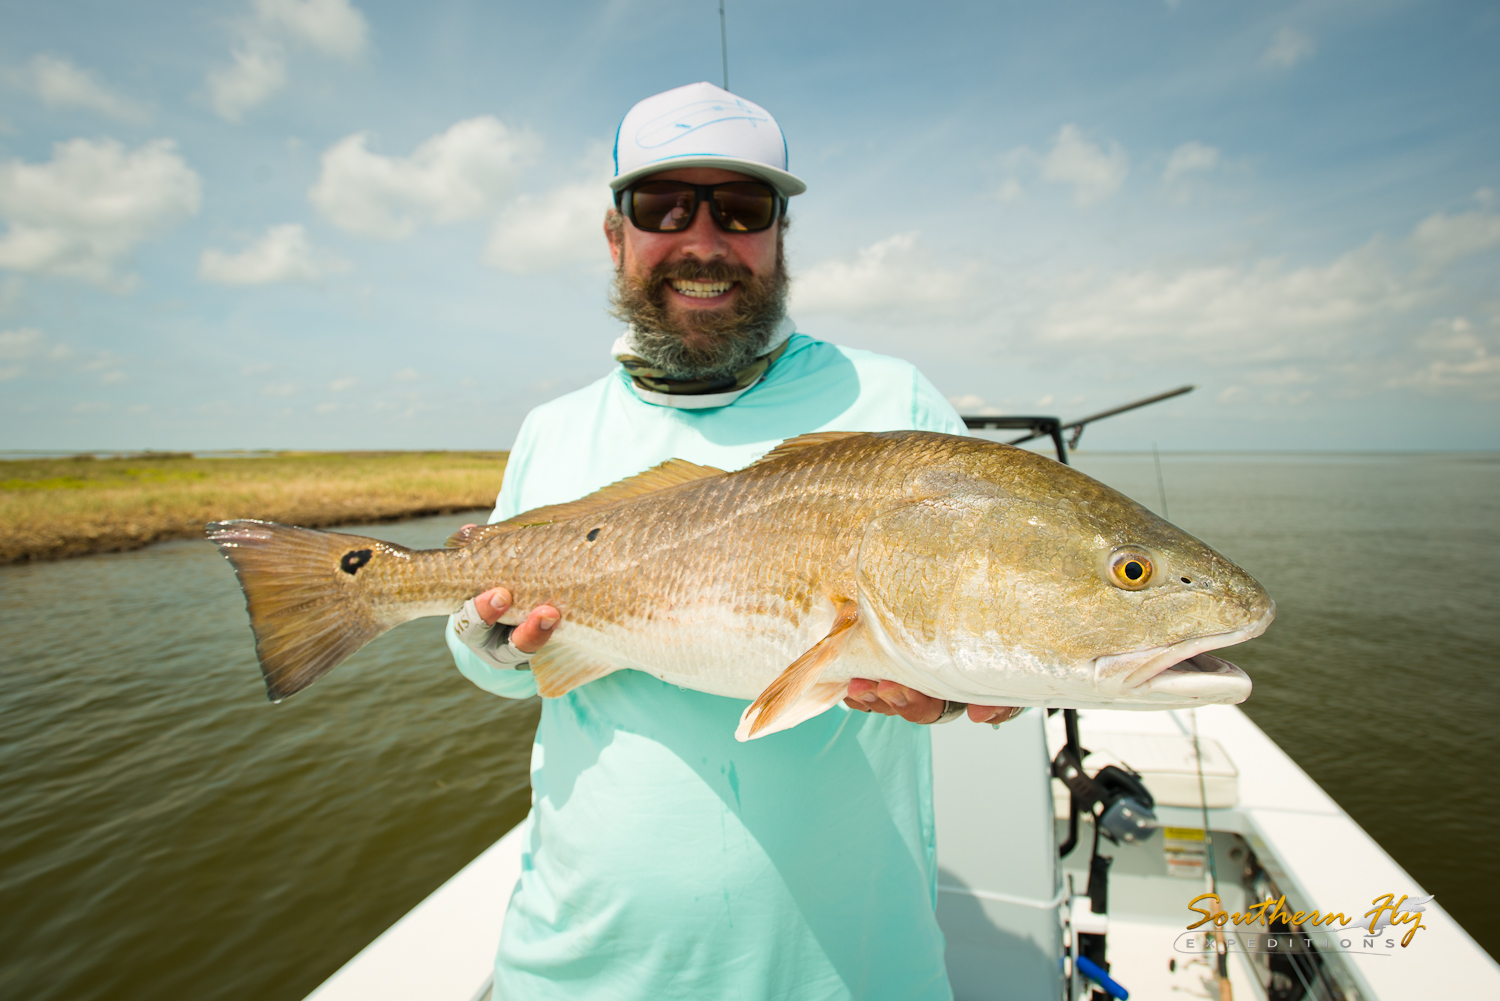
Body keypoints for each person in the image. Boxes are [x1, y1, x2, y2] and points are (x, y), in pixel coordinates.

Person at [446, 82, 1017, 1001]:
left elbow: (990, 637)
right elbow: (490, 664)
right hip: (577, 968)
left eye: (742, 208)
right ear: (614, 233)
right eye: (663, 205)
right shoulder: (552, 429)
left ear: (780, 235)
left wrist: (962, 699)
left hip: (857, 970)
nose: (703, 239)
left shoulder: (896, 405)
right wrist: (487, 639)